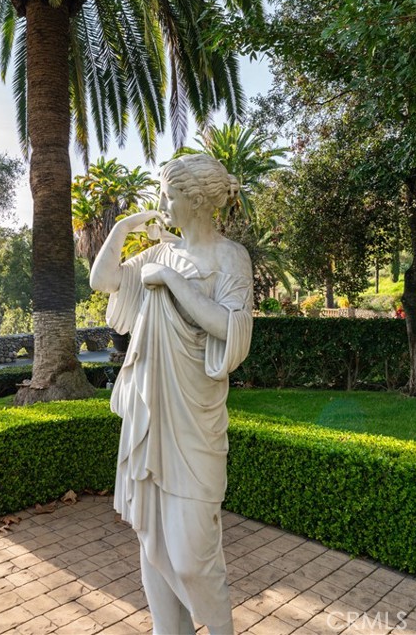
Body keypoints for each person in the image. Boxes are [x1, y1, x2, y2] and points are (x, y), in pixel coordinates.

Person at [90, 154, 254, 635]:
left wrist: (177, 283)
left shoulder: (229, 257)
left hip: (196, 418)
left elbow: (231, 327)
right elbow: (104, 281)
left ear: (197, 200)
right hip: (152, 409)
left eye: (168, 194)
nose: (162, 203)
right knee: (152, 537)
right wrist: (122, 227)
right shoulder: (159, 254)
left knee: (191, 557)